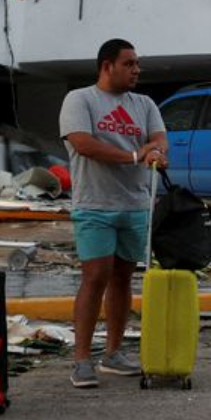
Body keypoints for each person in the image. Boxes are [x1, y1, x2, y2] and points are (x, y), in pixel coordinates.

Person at [60, 39, 168, 389]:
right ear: (107, 66)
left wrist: (154, 152)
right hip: (94, 206)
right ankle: (81, 360)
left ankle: (113, 352)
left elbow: (160, 140)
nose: (137, 70)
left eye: (138, 64)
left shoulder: (145, 103)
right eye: (130, 63)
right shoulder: (80, 100)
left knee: (123, 278)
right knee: (95, 277)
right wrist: (135, 156)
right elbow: (83, 143)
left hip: (135, 205)